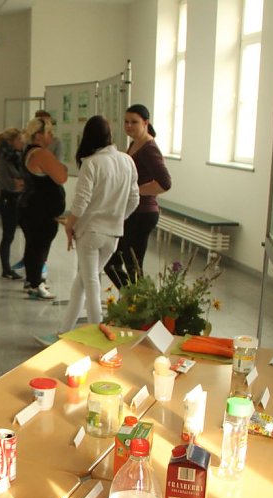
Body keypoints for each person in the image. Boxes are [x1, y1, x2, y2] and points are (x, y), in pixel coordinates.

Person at [60, 116, 139, 331]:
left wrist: (69, 224)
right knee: (83, 281)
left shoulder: (91, 162)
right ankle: (65, 330)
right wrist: (117, 218)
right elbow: (134, 200)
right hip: (113, 234)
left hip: (90, 233)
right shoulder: (127, 161)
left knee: (91, 281)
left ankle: (98, 332)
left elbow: (81, 201)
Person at [104, 104, 171, 288]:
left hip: (143, 213)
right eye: (126, 122)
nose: (129, 126)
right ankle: (132, 301)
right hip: (132, 212)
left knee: (132, 265)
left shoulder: (149, 148)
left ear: (146, 123)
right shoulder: (135, 143)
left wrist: (133, 190)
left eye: (134, 122)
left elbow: (164, 183)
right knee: (114, 262)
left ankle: (138, 304)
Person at [19, 117, 67, 300]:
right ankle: (36, 284)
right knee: (39, 246)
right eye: (48, 132)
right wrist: (60, 166)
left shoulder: (28, 151)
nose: (51, 136)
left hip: (31, 207)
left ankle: (33, 282)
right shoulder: (41, 154)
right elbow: (61, 176)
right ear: (39, 135)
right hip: (40, 210)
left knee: (33, 246)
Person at [0, 127, 25, 280]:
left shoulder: (17, 157)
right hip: (8, 200)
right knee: (8, 236)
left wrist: (20, 182)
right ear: (11, 142)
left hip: (18, 200)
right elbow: (9, 184)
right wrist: (18, 183)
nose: (22, 142)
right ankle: (6, 269)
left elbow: (24, 180)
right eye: (19, 140)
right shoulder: (2, 160)